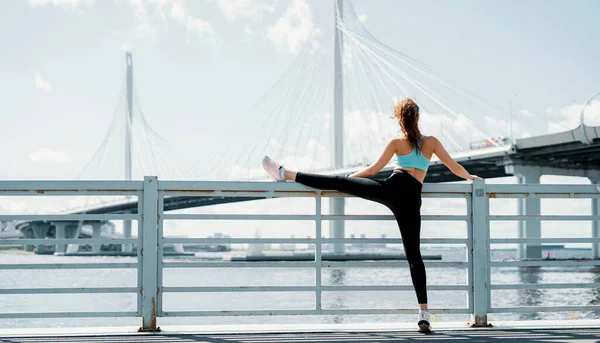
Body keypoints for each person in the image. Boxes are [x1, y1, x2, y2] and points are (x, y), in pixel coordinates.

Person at [261, 97, 481, 333]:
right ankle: (424, 315)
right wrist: (473, 179)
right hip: (411, 200)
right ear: (417, 117)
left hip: (390, 190)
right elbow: (455, 168)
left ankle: (285, 173)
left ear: (399, 119)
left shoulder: (397, 143)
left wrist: (348, 182)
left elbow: (374, 170)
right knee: (414, 257)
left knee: (337, 182)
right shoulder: (432, 142)